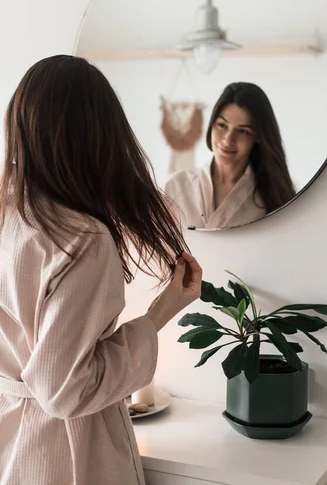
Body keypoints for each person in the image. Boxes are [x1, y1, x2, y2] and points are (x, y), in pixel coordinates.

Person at [0, 55, 202, 485]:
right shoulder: (81, 239)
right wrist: (161, 312)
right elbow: (63, 391)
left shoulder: (7, 215)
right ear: (100, 135)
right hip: (62, 453)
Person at [164, 82, 296, 229]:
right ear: (212, 125)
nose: (228, 139)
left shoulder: (272, 197)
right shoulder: (176, 187)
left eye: (242, 131)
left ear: (258, 137)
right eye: (222, 125)